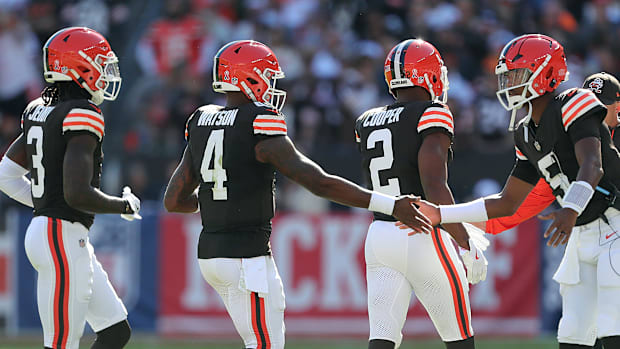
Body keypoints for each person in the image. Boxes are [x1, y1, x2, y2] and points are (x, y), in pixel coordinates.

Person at [162, 40, 433, 349]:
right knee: (265, 345)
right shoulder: (259, 123)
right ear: (248, 77)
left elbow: (174, 201)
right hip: (245, 257)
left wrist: (216, 197)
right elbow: (320, 183)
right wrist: (390, 204)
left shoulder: (202, 120)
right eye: (266, 76)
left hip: (210, 255)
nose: (272, 85)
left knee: (262, 341)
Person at [412, 34, 620, 349]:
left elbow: (593, 165)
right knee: (573, 334)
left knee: (612, 326)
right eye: (507, 76)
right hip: (581, 231)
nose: (509, 83)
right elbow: (506, 202)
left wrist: (570, 209)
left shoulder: (574, 102)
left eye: (517, 74)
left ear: (546, 72)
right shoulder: (524, 133)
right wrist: (441, 214)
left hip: (614, 222)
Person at [0, 27, 141, 349]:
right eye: (101, 64)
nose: (106, 73)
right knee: (62, 342)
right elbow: (77, 194)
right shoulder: (81, 113)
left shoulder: (40, 109)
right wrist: (123, 206)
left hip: (57, 233)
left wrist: (44, 205)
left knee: (116, 331)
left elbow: (6, 176)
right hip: (59, 235)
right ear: (80, 67)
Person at [354, 39, 487, 349]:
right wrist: (465, 240)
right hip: (422, 233)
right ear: (429, 74)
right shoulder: (432, 112)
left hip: (379, 236)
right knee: (459, 340)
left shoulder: (367, 119)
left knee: (383, 338)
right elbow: (434, 185)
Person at [483, 72, 620, 236]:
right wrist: (476, 225)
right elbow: (528, 202)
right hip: (594, 231)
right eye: (591, 104)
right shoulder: (570, 148)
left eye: (602, 105)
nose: (593, 111)